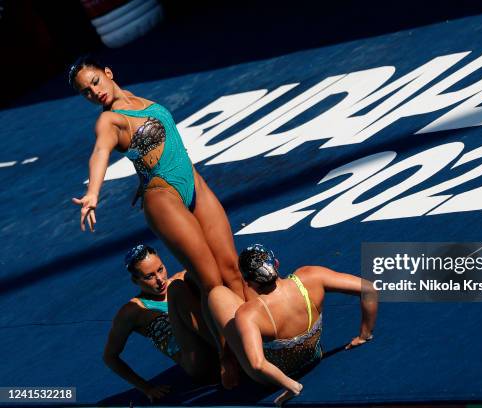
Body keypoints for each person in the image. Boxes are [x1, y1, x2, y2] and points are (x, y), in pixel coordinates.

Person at [68, 56, 244, 386]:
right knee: (210, 282)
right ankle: (229, 356)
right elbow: (101, 152)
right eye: (85, 93)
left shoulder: (134, 98)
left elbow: (150, 143)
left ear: (108, 73)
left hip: (194, 184)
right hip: (164, 199)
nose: (94, 93)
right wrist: (93, 193)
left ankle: (254, 332)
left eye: (95, 82)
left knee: (231, 269)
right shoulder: (108, 121)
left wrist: (142, 171)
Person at [207, 244, 378, 406]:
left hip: (274, 377)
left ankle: (226, 356)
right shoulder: (310, 278)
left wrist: (291, 386)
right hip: (313, 356)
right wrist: (365, 334)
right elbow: (369, 289)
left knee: (217, 294)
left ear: (248, 283)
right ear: (276, 264)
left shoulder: (247, 314)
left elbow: (258, 364)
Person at [103, 244, 219, 402]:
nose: (160, 279)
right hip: (199, 362)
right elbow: (110, 357)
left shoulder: (180, 278)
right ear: (135, 280)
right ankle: (228, 353)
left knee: (199, 273)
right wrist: (146, 388)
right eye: (149, 276)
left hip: (216, 343)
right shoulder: (133, 310)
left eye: (160, 269)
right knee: (177, 289)